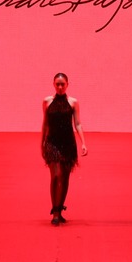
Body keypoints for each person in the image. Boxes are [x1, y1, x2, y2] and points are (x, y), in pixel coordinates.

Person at [41, 73, 87, 226]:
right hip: (52, 142)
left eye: (63, 84)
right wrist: (41, 143)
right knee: (55, 176)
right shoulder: (47, 101)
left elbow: (77, 123)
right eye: (57, 84)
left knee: (65, 178)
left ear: (67, 84)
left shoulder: (73, 102)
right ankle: (54, 211)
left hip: (68, 143)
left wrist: (83, 143)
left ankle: (59, 210)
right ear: (53, 84)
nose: (60, 87)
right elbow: (45, 123)